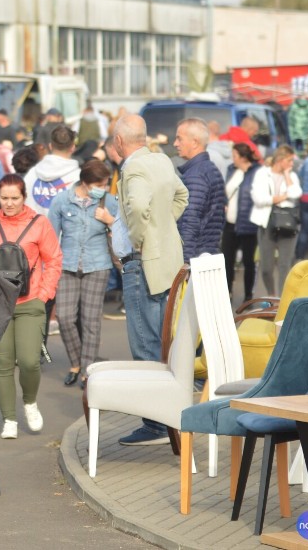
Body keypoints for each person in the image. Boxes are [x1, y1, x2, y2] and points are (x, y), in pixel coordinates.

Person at [112, 114, 188, 446]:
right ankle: (165, 418)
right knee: (161, 338)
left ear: (118, 142)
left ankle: (156, 423)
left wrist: (141, 237)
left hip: (142, 263)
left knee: (145, 341)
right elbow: (181, 196)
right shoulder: (160, 159)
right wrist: (161, 227)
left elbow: (139, 204)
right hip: (165, 259)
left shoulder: (134, 167)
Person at [0, 174, 62, 438]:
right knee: (3, 364)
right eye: (4, 198)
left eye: (14, 198)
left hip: (31, 302)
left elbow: (53, 259)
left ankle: (30, 402)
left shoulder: (39, 223)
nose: (9, 203)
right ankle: (9, 420)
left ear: (24, 197)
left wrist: (44, 294)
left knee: (29, 361)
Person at [49, 160, 117, 388]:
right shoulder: (62, 200)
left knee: (90, 320)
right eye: (101, 183)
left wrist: (110, 221)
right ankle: (75, 362)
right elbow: (51, 236)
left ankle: (87, 369)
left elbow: (122, 232)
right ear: (86, 183)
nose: (104, 187)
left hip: (97, 265)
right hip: (67, 265)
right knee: (65, 317)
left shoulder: (109, 202)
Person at [250, 145, 302, 296]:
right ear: (280, 159)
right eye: (290, 160)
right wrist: (283, 197)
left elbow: (297, 193)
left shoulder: (292, 175)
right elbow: (259, 199)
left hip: (288, 224)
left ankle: (282, 302)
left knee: (285, 265)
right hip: (267, 224)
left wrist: (287, 175)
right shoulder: (262, 174)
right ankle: (272, 295)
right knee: (266, 268)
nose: (292, 164)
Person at [173, 118, 227, 263]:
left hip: (196, 256)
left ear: (195, 142)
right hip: (206, 252)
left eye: (179, 139)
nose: (175, 143)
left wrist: (184, 262)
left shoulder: (196, 175)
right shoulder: (210, 169)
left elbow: (190, 221)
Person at [222, 143, 261, 302]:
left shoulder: (257, 172)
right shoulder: (231, 170)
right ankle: (227, 292)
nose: (233, 159)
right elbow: (226, 191)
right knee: (227, 259)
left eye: (235, 156)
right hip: (229, 223)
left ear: (243, 157)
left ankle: (248, 295)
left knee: (248, 261)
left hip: (247, 223)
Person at [22, 126, 81, 216]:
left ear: (50, 146)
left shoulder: (32, 173)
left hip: (31, 227)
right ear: (73, 147)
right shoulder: (79, 178)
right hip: (62, 229)